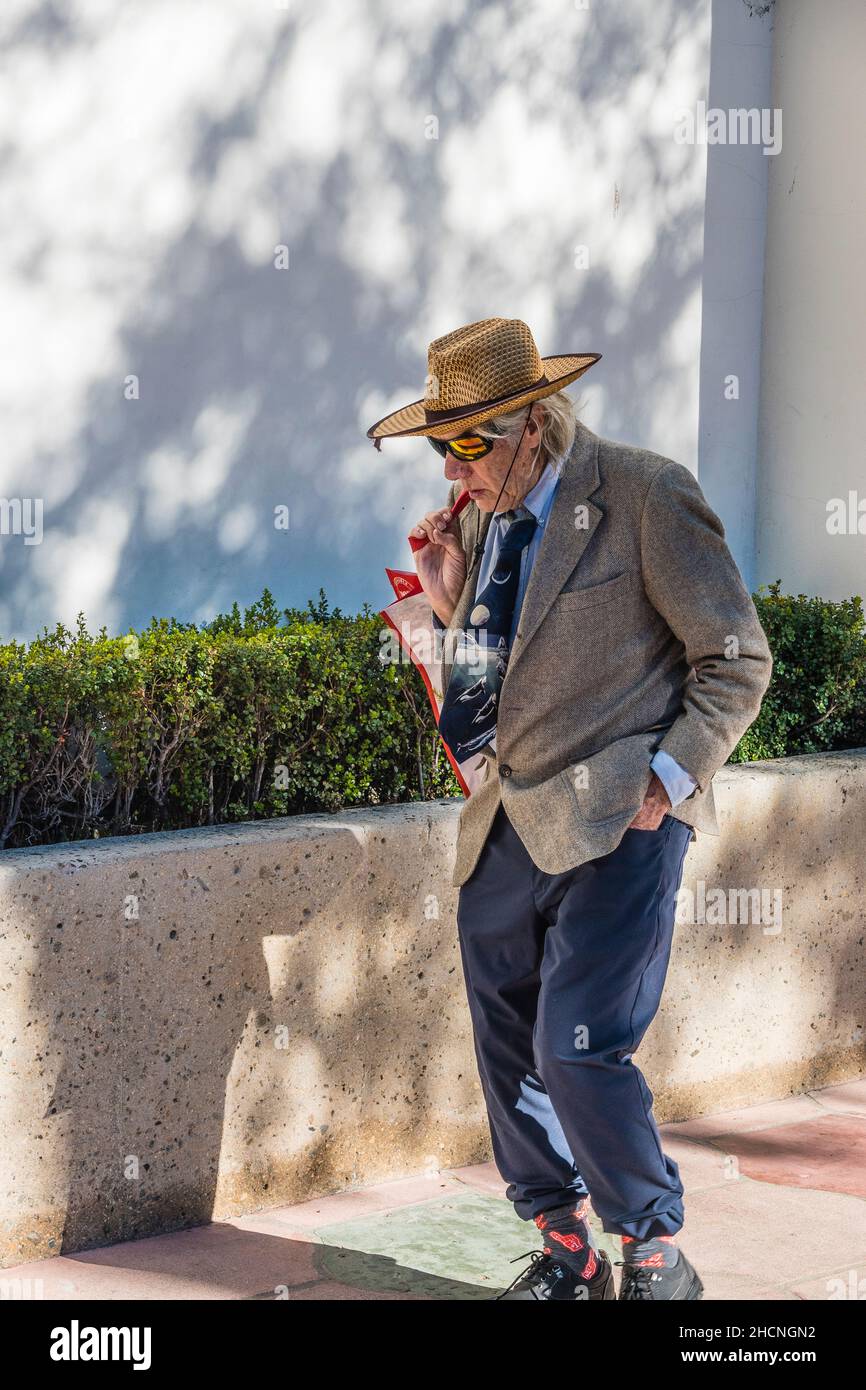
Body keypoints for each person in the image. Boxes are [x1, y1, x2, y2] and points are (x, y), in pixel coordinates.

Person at [366, 317, 773, 1301]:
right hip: (502, 826)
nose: (454, 468)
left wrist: (663, 786)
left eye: (470, 441)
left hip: (613, 822)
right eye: (440, 443)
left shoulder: (640, 492)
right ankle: (565, 1249)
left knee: (576, 1043)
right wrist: (445, 597)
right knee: (506, 1050)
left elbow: (734, 657)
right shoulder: (470, 523)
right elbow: (486, 684)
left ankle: (652, 1249)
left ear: (534, 423)